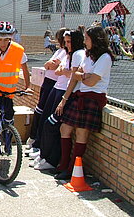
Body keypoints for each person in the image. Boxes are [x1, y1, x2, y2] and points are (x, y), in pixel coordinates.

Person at [54, 26, 114, 180]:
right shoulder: (88, 55)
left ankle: (73, 168)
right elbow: (77, 75)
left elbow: (93, 82)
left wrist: (83, 75)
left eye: (87, 38)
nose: (85, 41)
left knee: (81, 132)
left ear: (96, 40)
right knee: (64, 128)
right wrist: (83, 76)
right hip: (80, 96)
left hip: (93, 98)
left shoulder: (105, 57)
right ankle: (64, 163)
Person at [31, 29, 85, 170]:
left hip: (66, 93)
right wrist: (63, 70)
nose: (67, 44)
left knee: (52, 125)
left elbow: (72, 77)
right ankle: (45, 155)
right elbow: (57, 70)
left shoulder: (79, 54)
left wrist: (64, 99)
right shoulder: (69, 54)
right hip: (58, 88)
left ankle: (52, 159)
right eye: (65, 42)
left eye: (69, 42)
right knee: (46, 122)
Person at [25, 28, 67, 152]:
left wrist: (51, 64)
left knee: (46, 114)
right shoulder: (59, 51)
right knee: (39, 111)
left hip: (54, 84)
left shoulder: (65, 52)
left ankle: (38, 142)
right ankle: (34, 138)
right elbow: (47, 65)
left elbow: (53, 66)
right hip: (48, 82)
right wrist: (50, 64)